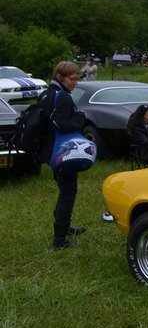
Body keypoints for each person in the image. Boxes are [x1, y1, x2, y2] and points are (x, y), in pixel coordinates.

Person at [40, 61, 88, 249]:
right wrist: (81, 117)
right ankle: (59, 240)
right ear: (60, 77)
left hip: (51, 150)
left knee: (64, 190)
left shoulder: (47, 93)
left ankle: (64, 226)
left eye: (77, 79)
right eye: (72, 79)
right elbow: (61, 124)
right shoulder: (63, 97)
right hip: (63, 152)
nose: (75, 83)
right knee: (68, 192)